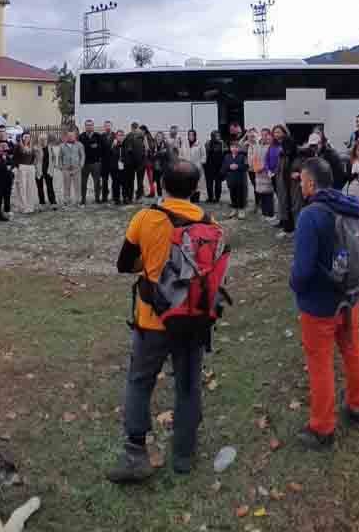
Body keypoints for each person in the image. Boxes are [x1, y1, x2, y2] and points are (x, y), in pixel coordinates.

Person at [107, 161, 210, 482]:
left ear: (161, 185)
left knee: (139, 381)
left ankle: (136, 454)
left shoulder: (146, 218)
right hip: (192, 319)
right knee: (189, 385)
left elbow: (124, 264)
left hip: (152, 320)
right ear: (195, 189)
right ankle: (183, 454)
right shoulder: (208, 222)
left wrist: (150, 263)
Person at [290, 158, 359, 450]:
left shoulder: (310, 215)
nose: (300, 185)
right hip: (350, 295)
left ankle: (322, 427)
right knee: (352, 349)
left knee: (320, 363)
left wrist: (296, 289)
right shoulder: (349, 204)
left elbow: (302, 270)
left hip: (320, 304)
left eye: (302, 181)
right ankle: (358, 405)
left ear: (311, 183)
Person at [221, 140, 248, 219]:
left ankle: (241, 210)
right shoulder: (227, 156)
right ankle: (234, 209)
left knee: (240, 195)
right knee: (233, 195)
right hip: (231, 180)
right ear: (230, 148)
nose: (234, 149)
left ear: (239, 148)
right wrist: (229, 167)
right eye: (232, 147)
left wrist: (238, 166)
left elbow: (246, 166)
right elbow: (223, 167)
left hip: (240, 179)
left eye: (236, 147)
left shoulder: (242, 156)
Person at [12, 133, 39, 214]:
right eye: (25, 137)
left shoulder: (32, 147)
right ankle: (23, 206)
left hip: (30, 168)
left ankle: (30, 206)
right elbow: (14, 158)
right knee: (22, 187)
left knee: (30, 187)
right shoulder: (18, 146)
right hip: (21, 168)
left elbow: (34, 157)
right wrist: (18, 167)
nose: (27, 139)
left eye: (28, 137)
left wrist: (33, 165)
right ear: (22, 138)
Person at [78, 119, 104, 205]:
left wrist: (96, 148)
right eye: (87, 125)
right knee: (83, 183)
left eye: (90, 125)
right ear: (85, 127)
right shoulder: (81, 136)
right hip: (84, 164)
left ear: (93, 126)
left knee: (97, 182)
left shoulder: (98, 136)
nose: (89, 127)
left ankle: (97, 198)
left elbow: (102, 148)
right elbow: (79, 150)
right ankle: (83, 199)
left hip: (96, 163)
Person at [252, 129, 275, 220]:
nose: (264, 137)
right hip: (258, 173)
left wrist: (264, 167)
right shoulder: (257, 146)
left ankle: (270, 213)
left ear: (269, 135)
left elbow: (271, 160)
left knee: (268, 193)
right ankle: (264, 212)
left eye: (266, 135)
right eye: (262, 135)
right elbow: (254, 158)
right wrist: (256, 168)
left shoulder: (271, 146)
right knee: (261, 193)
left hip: (267, 172)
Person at [58, 131, 84, 206]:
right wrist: (61, 166)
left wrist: (81, 165)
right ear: (66, 137)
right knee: (66, 186)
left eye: (72, 136)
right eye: (69, 136)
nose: (70, 137)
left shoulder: (79, 145)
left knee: (77, 186)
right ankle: (66, 200)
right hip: (66, 169)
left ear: (75, 136)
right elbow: (60, 157)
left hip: (76, 168)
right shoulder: (62, 146)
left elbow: (82, 155)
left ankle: (78, 200)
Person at [125, 123, 148, 200]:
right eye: (134, 128)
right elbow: (126, 149)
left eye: (135, 128)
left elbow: (147, 149)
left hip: (140, 162)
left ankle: (138, 196)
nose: (134, 130)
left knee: (139, 181)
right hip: (132, 163)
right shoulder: (129, 136)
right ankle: (131, 197)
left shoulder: (142, 136)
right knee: (131, 181)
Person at [36, 133, 58, 209]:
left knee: (50, 187)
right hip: (39, 171)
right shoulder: (36, 149)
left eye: (44, 139)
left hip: (48, 170)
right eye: (41, 139)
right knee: (40, 187)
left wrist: (53, 166)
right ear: (39, 140)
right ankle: (42, 203)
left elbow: (54, 158)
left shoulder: (50, 148)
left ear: (46, 140)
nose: (42, 141)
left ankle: (53, 202)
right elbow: (33, 159)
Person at [0, 140, 14, 221]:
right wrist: (5, 165)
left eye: (4, 147)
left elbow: (12, 163)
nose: (2, 149)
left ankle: (7, 210)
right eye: (0, 146)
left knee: (7, 196)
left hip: (8, 180)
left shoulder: (7, 155)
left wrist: (10, 166)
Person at [203, 130, 225, 203]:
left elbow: (225, 153)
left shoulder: (222, 143)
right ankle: (210, 198)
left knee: (218, 184)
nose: (218, 137)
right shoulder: (208, 143)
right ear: (212, 136)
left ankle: (217, 199)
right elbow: (205, 153)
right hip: (209, 167)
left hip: (218, 167)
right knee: (209, 184)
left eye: (219, 135)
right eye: (216, 136)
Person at [183, 130, 205, 204]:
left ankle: (196, 202)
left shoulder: (199, 144)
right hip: (187, 168)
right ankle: (189, 202)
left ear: (195, 136)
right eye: (189, 135)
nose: (191, 137)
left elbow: (204, 156)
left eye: (192, 135)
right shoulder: (184, 144)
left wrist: (199, 164)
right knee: (189, 185)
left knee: (197, 185)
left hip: (197, 168)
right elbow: (181, 154)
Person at [98, 121, 117, 204]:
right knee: (104, 181)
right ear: (104, 127)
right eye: (106, 126)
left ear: (111, 126)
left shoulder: (115, 136)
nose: (107, 127)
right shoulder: (101, 136)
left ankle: (114, 196)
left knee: (114, 180)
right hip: (104, 163)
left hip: (113, 162)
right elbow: (99, 149)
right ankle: (104, 197)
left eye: (109, 126)